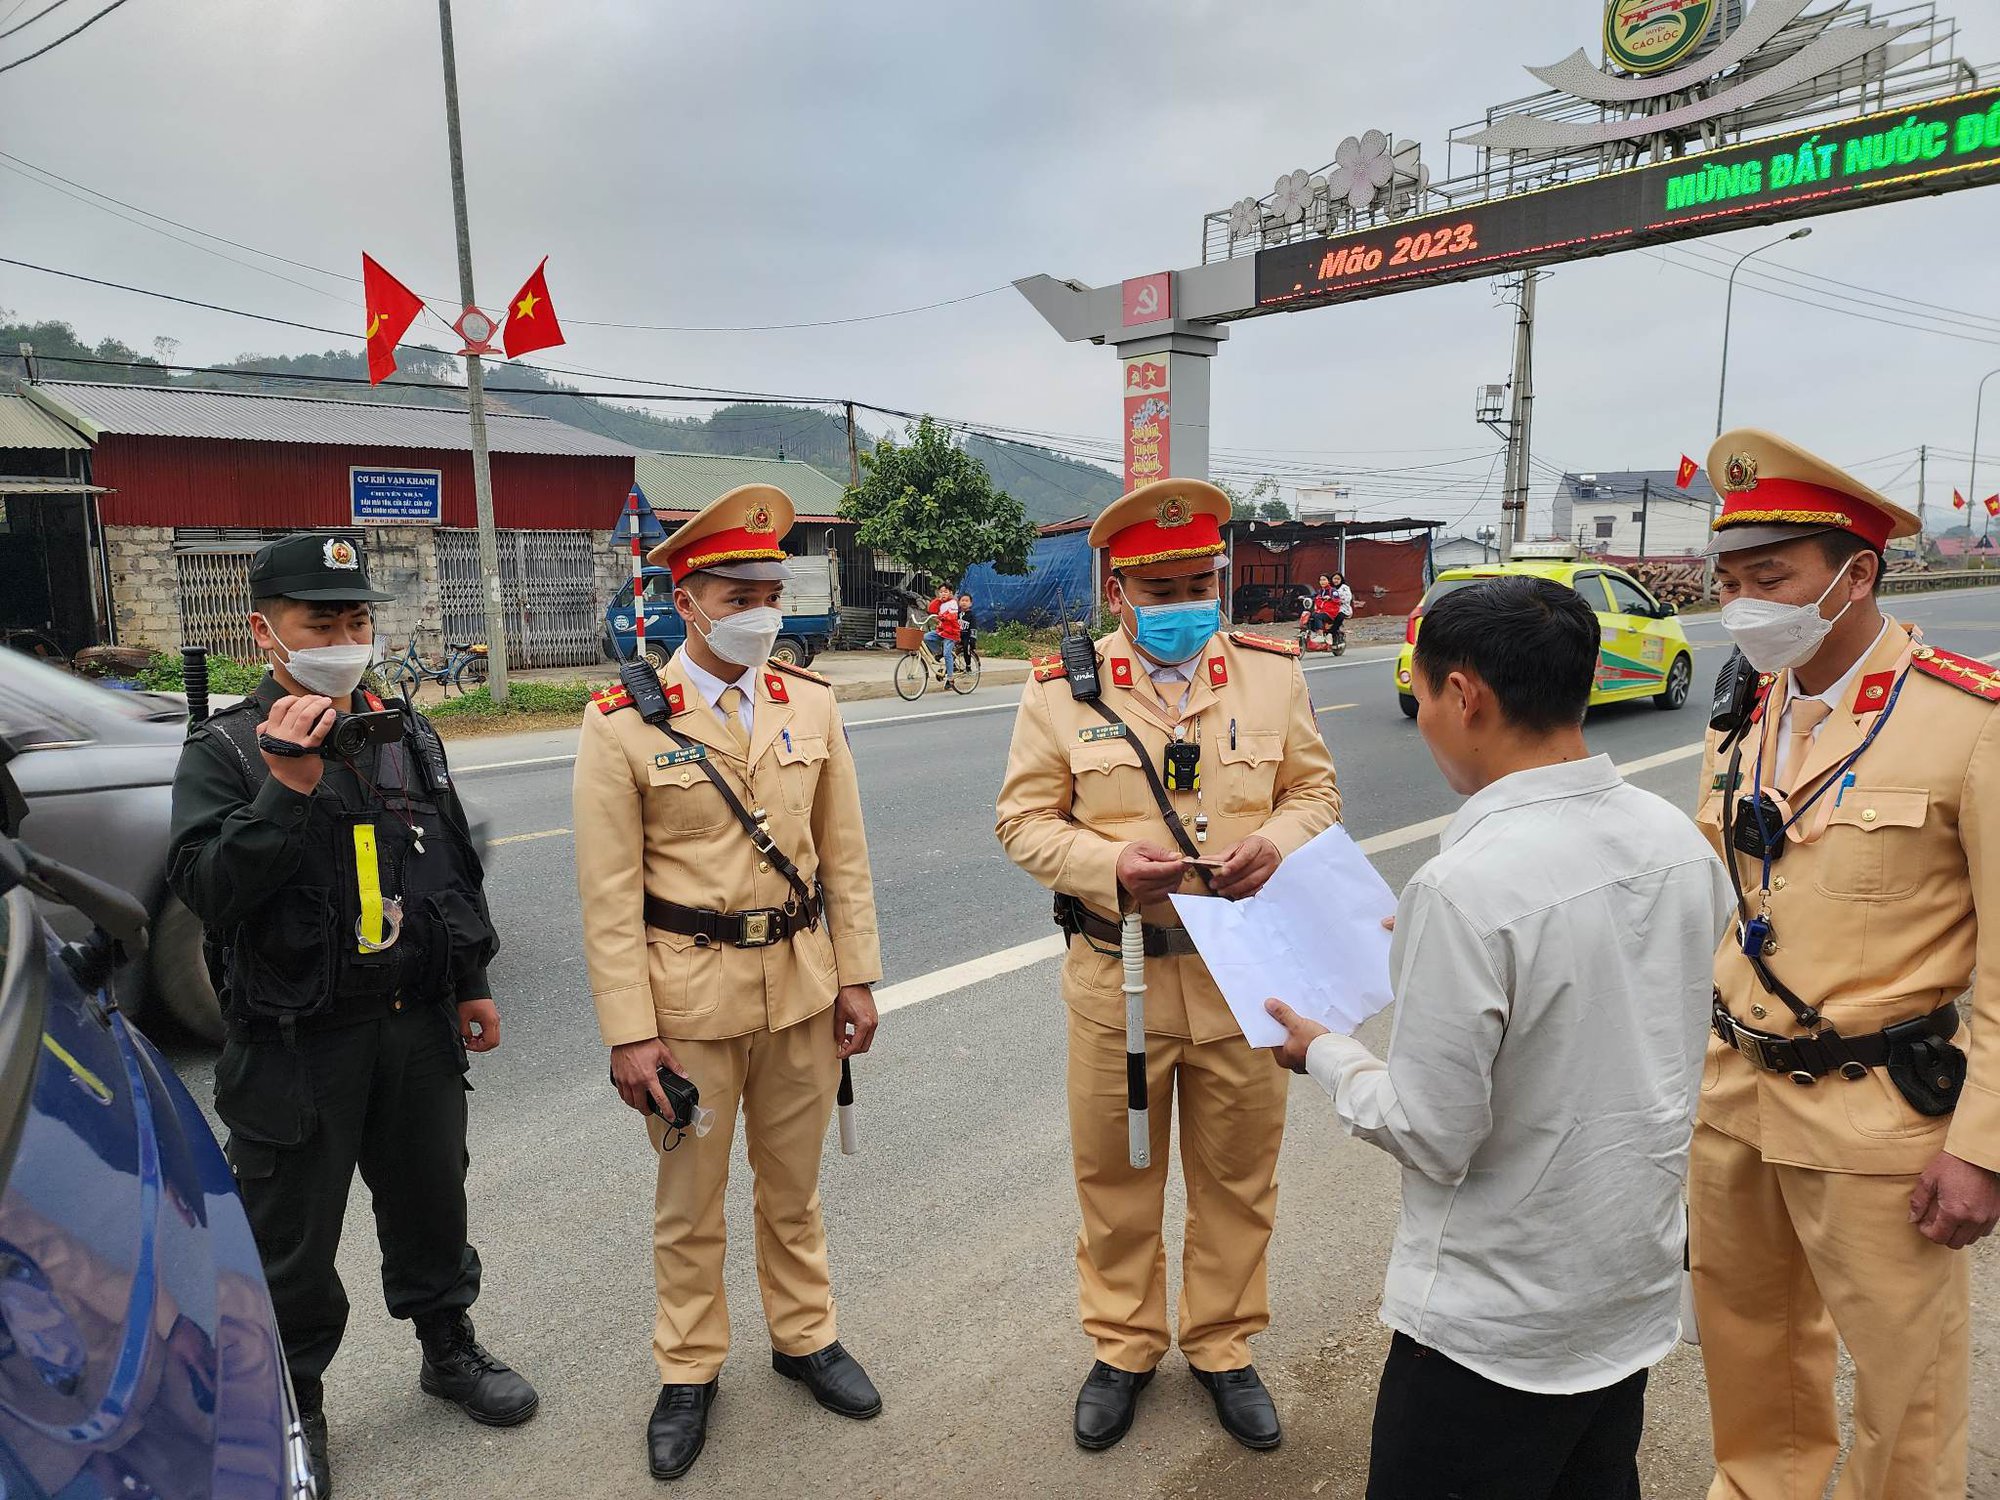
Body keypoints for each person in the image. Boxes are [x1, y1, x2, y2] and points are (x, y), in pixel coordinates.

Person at [1266, 575, 1729, 1500]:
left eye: (1424, 696)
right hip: (1625, 1285)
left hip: (1496, 1329)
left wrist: (1322, 1051)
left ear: (1463, 694)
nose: (1425, 721)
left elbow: (1432, 1131)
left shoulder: (1465, 889)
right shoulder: (1676, 839)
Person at [167, 533, 536, 1498]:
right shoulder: (226, 750)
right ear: (265, 632)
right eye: (320, 621)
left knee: (431, 1200)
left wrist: (471, 979)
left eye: (357, 619)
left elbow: (446, 866)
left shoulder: (401, 731)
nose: (344, 639)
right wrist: (284, 791)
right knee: (289, 1240)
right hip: (297, 1042)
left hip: (413, 1022)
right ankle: (292, 1402)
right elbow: (208, 891)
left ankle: (448, 1347)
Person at [995, 478, 1340, 1454]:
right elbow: (1021, 821)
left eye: (1200, 584)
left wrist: (1278, 842)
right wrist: (1106, 866)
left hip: (1243, 970)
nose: (1186, 604)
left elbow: (1315, 794)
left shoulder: (1270, 675)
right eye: (1162, 590)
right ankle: (1124, 1344)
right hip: (1121, 975)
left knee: (1238, 1176)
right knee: (1116, 1176)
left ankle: (1223, 1344)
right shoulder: (1060, 689)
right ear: (1118, 593)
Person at [1687, 430, 2000, 1500]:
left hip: (1880, 1119)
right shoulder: (1742, 711)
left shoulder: (1966, 720)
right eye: (1728, 581)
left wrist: (1983, 1149)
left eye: (1769, 577)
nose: (1741, 604)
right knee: (1748, 1357)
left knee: (1907, 1397)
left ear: (1855, 573)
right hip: (1736, 1097)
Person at [572, 484, 884, 1483]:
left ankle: (804, 1336)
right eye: (737, 595)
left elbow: (843, 858)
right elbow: (608, 897)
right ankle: (689, 1367)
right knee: (690, 1201)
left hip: (799, 987)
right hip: (688, 1004)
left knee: (793, 1188)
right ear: (687, 602)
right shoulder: (623, 723)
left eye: (770, 592)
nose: (760, 611)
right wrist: (630, 1034)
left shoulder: (810, 703)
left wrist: (857, 978)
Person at [924, 584, 961, 682]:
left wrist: (942, 617)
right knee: (927, 637)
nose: (943, 594)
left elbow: (953, 616)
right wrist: (938, 600)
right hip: (942, 631)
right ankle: (939, 653)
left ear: (950, 593)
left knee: (947, 653)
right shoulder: (941, 603)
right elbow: (931, 609)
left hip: (951, 633)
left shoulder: (953, 602)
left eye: (945, 592)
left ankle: (950, 677)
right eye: (941, 592)